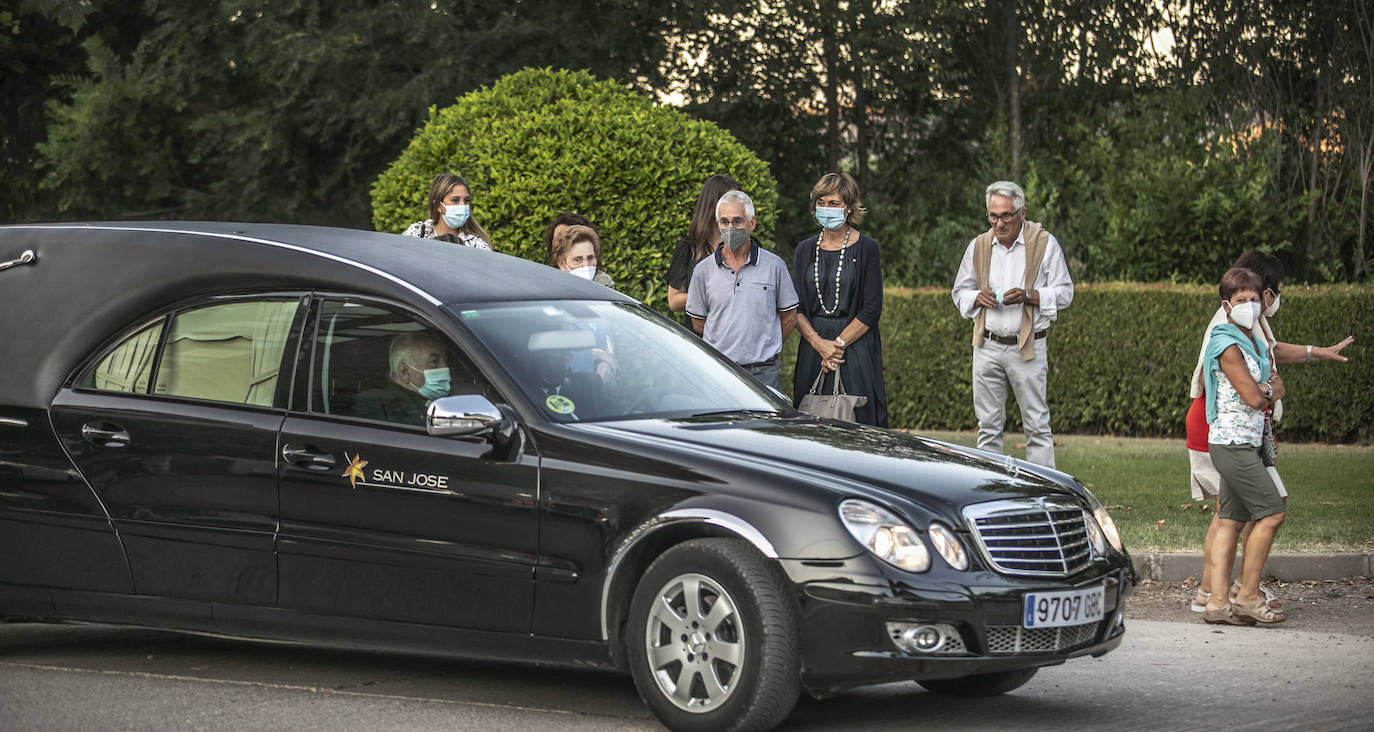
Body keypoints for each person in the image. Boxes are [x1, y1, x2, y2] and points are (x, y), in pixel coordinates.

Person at [1186, 251, 1354, 613]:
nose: (1271, 299)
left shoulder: (1253, 324)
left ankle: (1220, 593)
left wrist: (1318, 352)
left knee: (1233, 513)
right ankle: (1232, 590)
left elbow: (1273, 356)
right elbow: (1255, 385)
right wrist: (1270, 391)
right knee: (1249, 511)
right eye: (1273, 291)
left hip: (1244, 429)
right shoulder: (1229, 326)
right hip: (1220, 425)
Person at [951, 180, 1074, 467]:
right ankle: (990, 488)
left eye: (1006, 215)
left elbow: (1066, 292)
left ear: (1022, 212)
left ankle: (1044, 492)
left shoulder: (1044, 243)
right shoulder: (979, 245)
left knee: (1036, 424)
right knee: (988, 426)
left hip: (1027, 345)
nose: (999, 223)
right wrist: (977, 297)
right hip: (987, 345)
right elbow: (960, 292)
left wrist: (1031, 295)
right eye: (993, 216)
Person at [1200, 267, 1288, 625]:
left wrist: (1266, 388)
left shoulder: (1250, 339)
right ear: (1226, 304)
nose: (1250, 305)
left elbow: (1266, 387)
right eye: (1241, 300)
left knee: (1230, 519)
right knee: (1271, 512)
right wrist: (1269, 389)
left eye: (1254, 298)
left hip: (1242, 442)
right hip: (1232, 443)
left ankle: (1218, 604)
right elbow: (1255, 395)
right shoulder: (1225, 342)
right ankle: (1247, 596)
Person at [789, 172, 888, 427]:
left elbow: (871, 308)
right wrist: (818, 343)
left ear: (849, 207)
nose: (825, 208)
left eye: (833, 203)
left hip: (854, 350)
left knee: (859, 427)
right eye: (820, 202)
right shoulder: (804, 250)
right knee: (810, 428)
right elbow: (794, 306)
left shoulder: (867, 248)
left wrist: (836, 346)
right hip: (813, 349)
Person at [686, 190, 799, 390]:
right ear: (718, 224)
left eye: (737, 221)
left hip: (764, 373)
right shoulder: (703, 270)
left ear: (752, 223)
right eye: (724, 222)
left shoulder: (775, 266)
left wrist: (764, 345)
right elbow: (698, 322)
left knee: (764, 422)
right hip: (719, 369)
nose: (730, 228)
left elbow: (789, 317)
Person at [666, 175, 741, 312]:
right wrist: (711, 293)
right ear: (711, 203)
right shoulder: (688, 248)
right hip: (698, 331)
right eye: (728, 200)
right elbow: (674, 301)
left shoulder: (749, 246)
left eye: (738, 200)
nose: (735, 206)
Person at [352, 332, 450, 426]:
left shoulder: (447, 402)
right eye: (434, 361)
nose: (445, 367)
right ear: (405, 372)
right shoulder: (377, 403)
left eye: (445, 361)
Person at [401, 173, 495, 250]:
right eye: (455, 200)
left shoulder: (477, 245)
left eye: (466, 200)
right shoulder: (417, 233)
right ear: (438, 205)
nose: (462, 205)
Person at [550, 223, 615, 289]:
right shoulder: (551, 287)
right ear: (562, 264)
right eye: (577, 260)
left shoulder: (604, 284)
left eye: (590, 258)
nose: (586, 265)